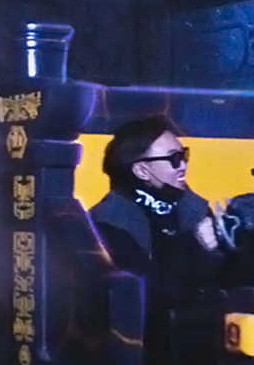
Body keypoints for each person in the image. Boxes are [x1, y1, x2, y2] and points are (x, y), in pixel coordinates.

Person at [88, 115, 226, 316]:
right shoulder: (110, 221)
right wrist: (197, 247)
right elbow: (151, 296)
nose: (184, 166)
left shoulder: (193, 207)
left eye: (184, 156)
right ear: (142, 171)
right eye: (174, 159)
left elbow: (227, 279)